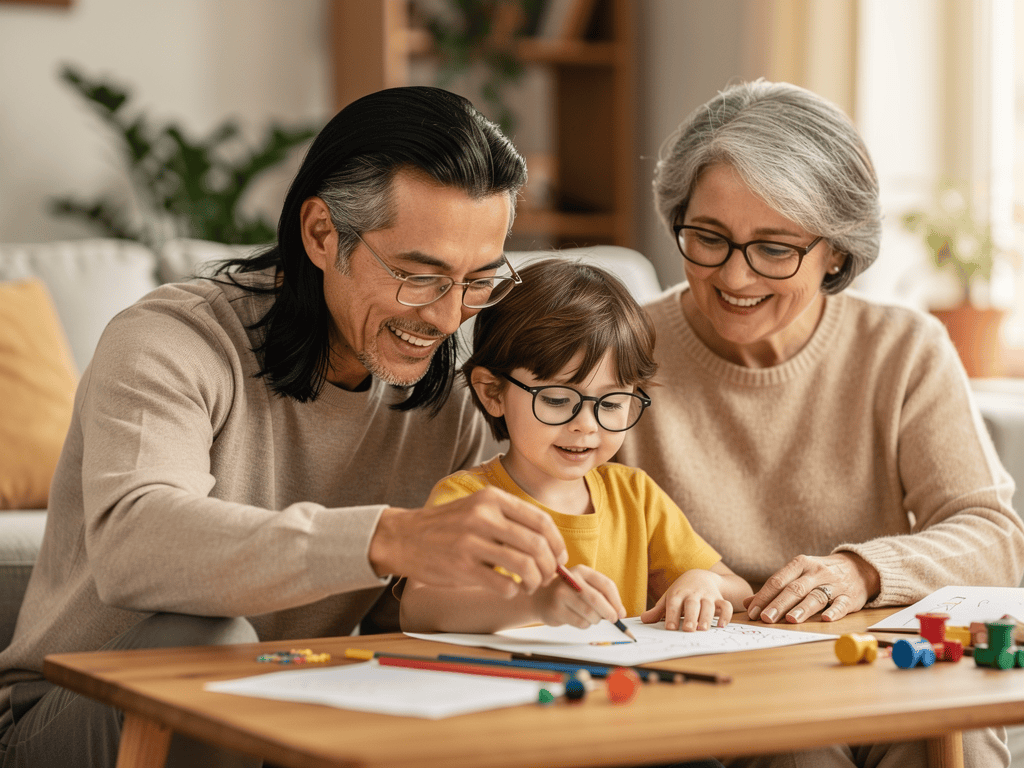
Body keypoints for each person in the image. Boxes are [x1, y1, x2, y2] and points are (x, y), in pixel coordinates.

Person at [0, 87, 571, 768]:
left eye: (479, 281)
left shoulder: (448, 395)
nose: (450, 320)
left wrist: (531, 594)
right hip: (78, 713)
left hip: (295, 711)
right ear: (322, 235)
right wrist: (387, 537)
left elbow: (413, 622)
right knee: (208, 643)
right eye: (421, 277)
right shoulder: (170, 339)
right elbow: (135, 543)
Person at [617, 79, 1024, 768]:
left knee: (952, 746)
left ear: (835, 252)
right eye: (708, 238)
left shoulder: (902, 349)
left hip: (883, 674)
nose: (735, 278)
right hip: (721, 689)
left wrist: (863, 570)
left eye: (774, 248)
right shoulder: (618, 356)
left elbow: (994, 538)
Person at [400, 259, 752, 638]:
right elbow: (419, 608)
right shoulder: (468, 501)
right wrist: (534, 603)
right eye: (556, 399)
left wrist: (704, 583)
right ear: (492, 392)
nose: (586, 424)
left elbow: (740, 591)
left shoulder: (635, 496)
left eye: (613, 403)